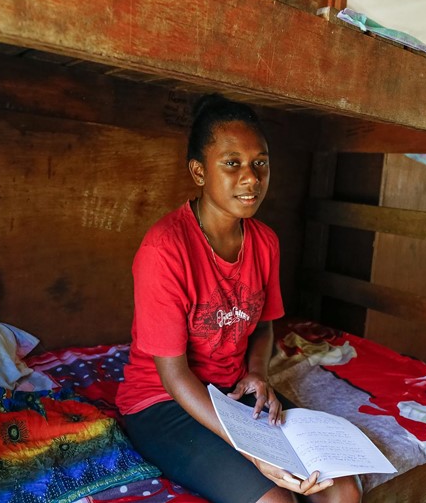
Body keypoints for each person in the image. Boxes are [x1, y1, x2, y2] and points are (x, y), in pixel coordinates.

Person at [115, 94, 362, 503]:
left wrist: (259, 374)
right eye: (232, 163)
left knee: (342, 489)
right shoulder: (165, 249)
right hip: (164, 402)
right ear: (199, 171)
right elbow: (174, 376)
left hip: (234, 393)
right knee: (275, 501)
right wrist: (252, 449)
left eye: (259, 163)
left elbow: (263, 326)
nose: (250, 178)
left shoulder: (264, 241)